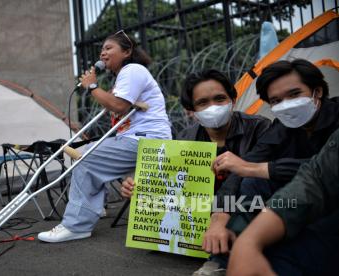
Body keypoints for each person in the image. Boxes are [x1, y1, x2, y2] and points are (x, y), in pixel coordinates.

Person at [201, 59, 339, 274]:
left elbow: (322, 171)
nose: (286, 104)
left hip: (328, 204)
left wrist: (258, 168)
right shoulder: (282, 127)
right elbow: (243, 167)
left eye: (294, 95)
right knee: (251, 184)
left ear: (317, 91)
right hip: (292, 200)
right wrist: (219, 215)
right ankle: (220, 261)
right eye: (276, 100)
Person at [38, 30, 172, 243]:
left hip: (145, 140)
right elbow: (119, 106)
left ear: (127, 51)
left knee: (86, 159)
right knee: (85, 152)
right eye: (101, 50)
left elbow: (118, 105)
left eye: (109, 48)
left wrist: (92, 86)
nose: (102, 54)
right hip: (135, 138)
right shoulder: (123, 77)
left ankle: (77, 225)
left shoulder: (132, 70)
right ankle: (94, 207)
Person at [121, 69, 270, 198]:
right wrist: (138, 188)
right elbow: (170, 183)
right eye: (203, 102)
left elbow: (276, 175)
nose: (213, 107)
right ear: (191, 111)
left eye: (220, 99)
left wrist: (245, 167)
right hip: (204, 216)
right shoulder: (185, 140)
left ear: (233, 101)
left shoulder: (259, 128)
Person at [228, 128, 339, 275]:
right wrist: (248, 241)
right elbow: (317, 180)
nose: (284, 107)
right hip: (295, 196)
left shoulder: (254, 126)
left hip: (324, 212)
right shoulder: (278, 128)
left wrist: (263, 168)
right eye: (275, 103)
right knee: (252, 184)